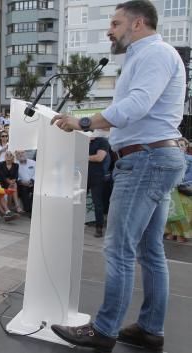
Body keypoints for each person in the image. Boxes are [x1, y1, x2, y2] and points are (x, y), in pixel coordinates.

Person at [50, 2, 187, 352]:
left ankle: (105, 330)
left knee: (119, 248)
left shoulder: (154, 54)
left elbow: (136, 106)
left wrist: (83, 122)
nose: (109, 30)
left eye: (115, 23)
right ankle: (148, 329)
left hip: (145, 160)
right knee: (149, 250)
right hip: (153, 157)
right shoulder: (148, 56)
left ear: (137, 24)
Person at [87, 137, 111, 237]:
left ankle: (99, 228)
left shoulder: (102, 141)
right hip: (81, 173)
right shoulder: (81, 140)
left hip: (96, 176)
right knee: (76, 200)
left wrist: (82, 155)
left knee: (97, 203)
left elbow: (99, 157)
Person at [15, 150, 36, 215]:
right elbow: (15, 176)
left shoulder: (33, 162)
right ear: (16, 156)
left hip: (34, 183)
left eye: (22, 152)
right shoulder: (15, 165)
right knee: (24, 190)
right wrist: (21, 181)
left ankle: (34, 210)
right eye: (18, 153)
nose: (21, 154)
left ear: (25, 153)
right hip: (21, 184)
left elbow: (37, 173)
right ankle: (29, 210)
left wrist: (32, 181)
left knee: (35, 191)